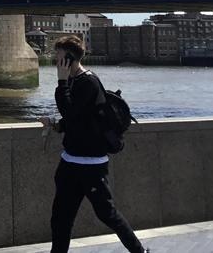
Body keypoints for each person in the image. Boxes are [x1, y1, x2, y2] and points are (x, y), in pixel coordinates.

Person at [40, 35, 148, 253]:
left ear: (70, 58)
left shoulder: (89, 82)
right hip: (70, 162)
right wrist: (55, 125)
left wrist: (61, 82)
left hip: (91, 165)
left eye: (58, 55)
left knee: (107, 214)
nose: (55, 60)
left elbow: (71, 112)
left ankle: (140, 251)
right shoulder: (73, 81)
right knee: (60, 218)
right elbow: (77, 120)